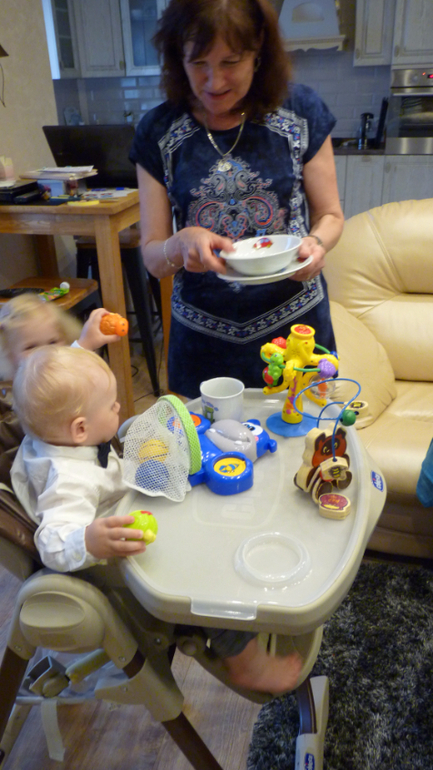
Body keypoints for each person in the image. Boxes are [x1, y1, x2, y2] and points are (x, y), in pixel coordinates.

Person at [11, 344, 301, 693]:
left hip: (126, 501)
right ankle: (245, 661)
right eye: (111, 404)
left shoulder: (51, 433)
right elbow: (51, 543)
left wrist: (84, 342)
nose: (118, 406)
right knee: (206, 572)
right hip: (121, 562)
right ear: (80, 429)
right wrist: (87, 540)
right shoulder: (67, 482)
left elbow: (63, 393)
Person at [129, 0, 344, 399]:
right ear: (178, 57)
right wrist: (180, 243)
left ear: (258, 50)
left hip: (296, 336)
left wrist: (316, 245)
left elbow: (331, 215)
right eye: (198, 63)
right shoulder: (157, 131)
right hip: (202, 341)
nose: (214, 81)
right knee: (205, 441)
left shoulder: (301, 111)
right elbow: (154, 259)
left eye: (230, 62)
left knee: (307, 436)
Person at [0, 292, 122, 484]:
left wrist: (84, 345)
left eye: (52, 342)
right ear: (8, 353)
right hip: (62, 478)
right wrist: (84, 344)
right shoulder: (17, 394)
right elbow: (49, 391)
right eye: (30, 346)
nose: (45, 351)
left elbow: (61, 376)